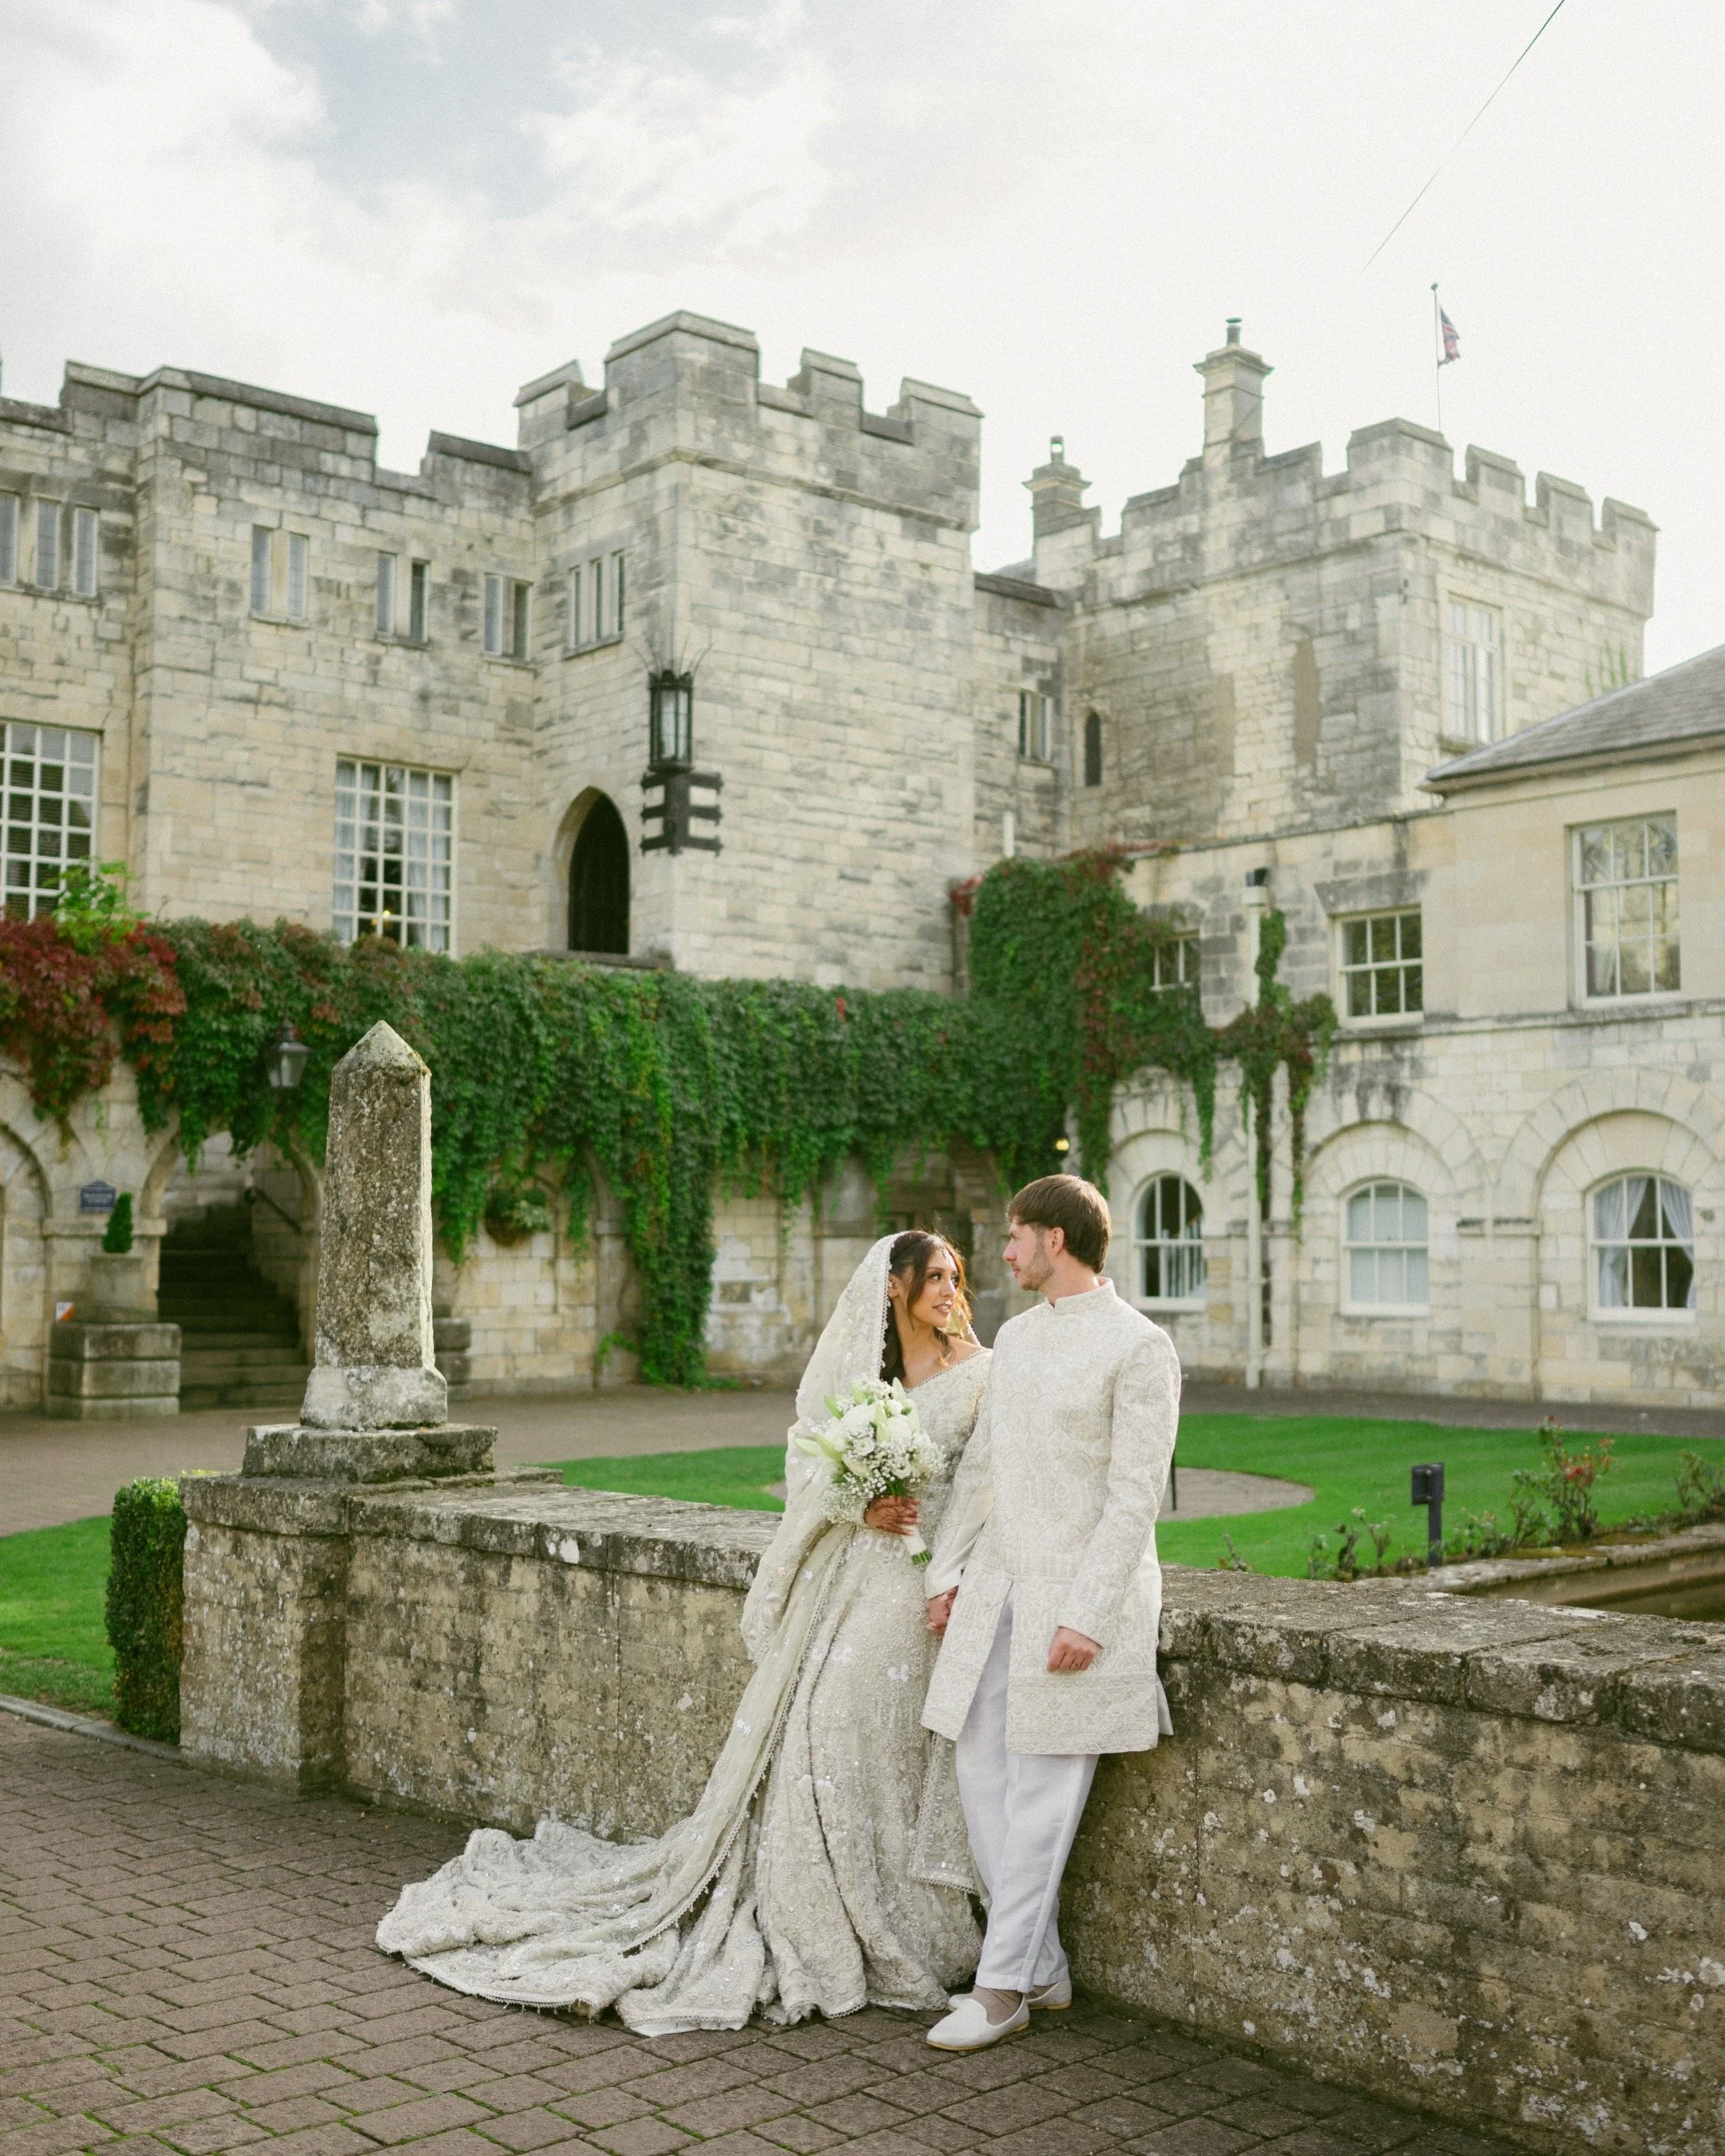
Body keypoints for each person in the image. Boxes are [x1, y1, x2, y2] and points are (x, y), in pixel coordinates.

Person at [377, 1231, 989, 2035]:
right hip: (848, 1576)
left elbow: (985, 1491)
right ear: (892, 1289)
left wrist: (947, 1573)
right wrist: (858, 1500)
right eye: (934, 1276)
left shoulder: (981, 1375)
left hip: (918, 1584)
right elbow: (810, 1459)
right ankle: (821, 1909)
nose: (949, 1289)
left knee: (871, 1735)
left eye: (955, 1276)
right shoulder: (862, 1378)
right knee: (822, 1728)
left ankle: (904, 1918)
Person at [919, 1175, 1180, 2052]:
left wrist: (1089, 1614)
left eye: (1014, 1236)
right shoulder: (1019, 1341)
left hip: (1082, 1600)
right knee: (975, 1763)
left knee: (1044, 1791)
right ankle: (1042, 1965)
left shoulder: (1141, 1347)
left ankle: (1000, 1991)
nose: (1003, 1251)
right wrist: (945, 1574)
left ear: (1056, 1241)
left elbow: (1136, 1493)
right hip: (997, 1587)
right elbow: (984, 1468)